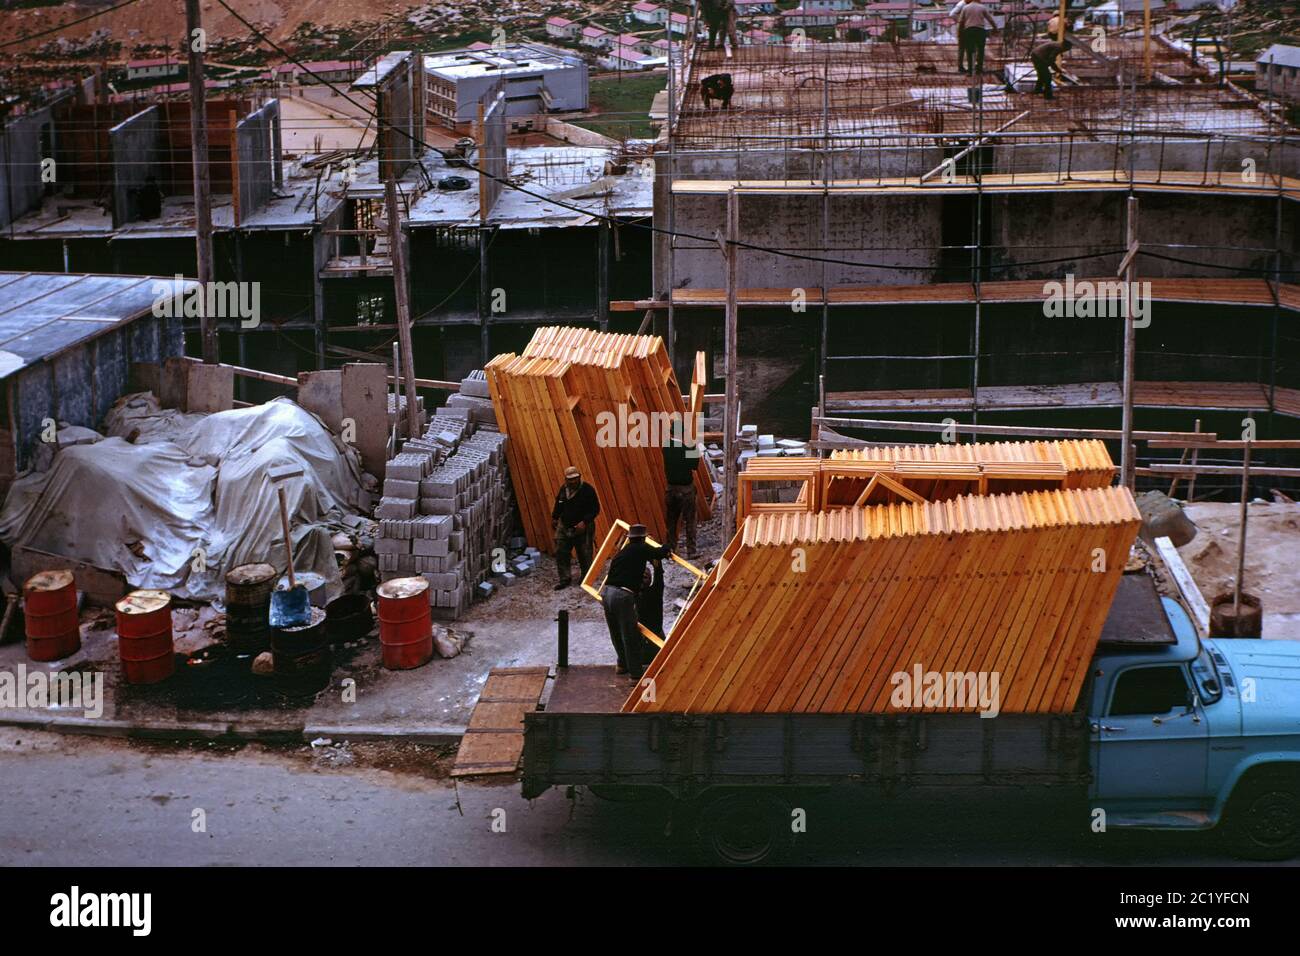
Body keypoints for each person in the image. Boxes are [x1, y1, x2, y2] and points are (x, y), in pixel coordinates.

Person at [602, 524, 671, 678]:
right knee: (629, 635)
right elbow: (660, 552)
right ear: (642, 538)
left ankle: (622, 664)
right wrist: (666, 547)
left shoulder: (622, 553)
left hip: (606, 593)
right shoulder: (641, 548)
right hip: (622, 595)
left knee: (616, 632)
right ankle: (636, 675)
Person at [551, 465, 600, 591]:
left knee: (584, 553)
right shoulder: (564, 489)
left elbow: (595, 509)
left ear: (579, 477)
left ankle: (586, 578)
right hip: (565, 525)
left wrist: (584, 522)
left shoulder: (587, 490)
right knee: (561, 551)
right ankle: (565, 579)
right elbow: (559, 503)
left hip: (583, 527)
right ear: (565, 479)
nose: (573, 481)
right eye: (570, 479)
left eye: (575, 478)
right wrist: (555, 517)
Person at [662, 421, 699, 559]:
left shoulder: (666, 447)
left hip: (670, 489)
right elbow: (694, 465)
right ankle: (691, 551)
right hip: (686, 489)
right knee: (690, 520)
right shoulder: (686, 449)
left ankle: (670, 550)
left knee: (671, 521)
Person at [956, 0, 997, 76]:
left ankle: (970, 71)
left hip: (969, 31)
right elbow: (990, 19)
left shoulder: (965, 8)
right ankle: (979, 69)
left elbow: (961, 22)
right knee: (980, 50)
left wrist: (959, 32)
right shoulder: (982, 8)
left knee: (969, 51)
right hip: (980, 31)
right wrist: (995, 28)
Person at [951, 0, 969, 74]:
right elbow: (952, 14)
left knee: (966, 47)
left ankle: (968, 66)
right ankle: (961, 67)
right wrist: (960, 21)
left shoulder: (966, 4)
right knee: (962, 48)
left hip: (965, 27)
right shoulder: (962, 4)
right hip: (963, 28)